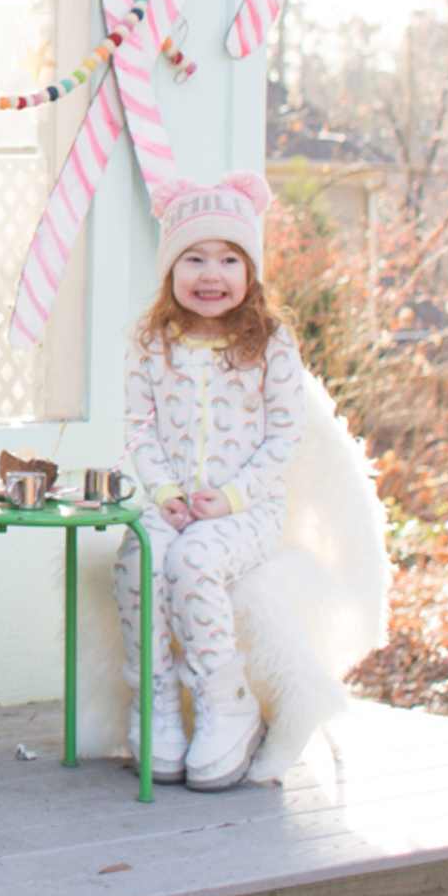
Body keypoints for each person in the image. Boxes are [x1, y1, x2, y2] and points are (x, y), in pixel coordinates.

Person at [115, 171, 306, 791]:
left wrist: (231, 497)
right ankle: (158, 704)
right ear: (171, 268)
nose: (210, 273)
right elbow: (139, 429)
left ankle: (228, 703)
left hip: (245, 511)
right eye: (193, 257)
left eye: (229, 258)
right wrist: (165, 493)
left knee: (194, 560)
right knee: (140, 558)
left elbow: (285, 435)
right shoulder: (151, 343)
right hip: (172, 505)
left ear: (250, 272)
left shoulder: (269, 344)